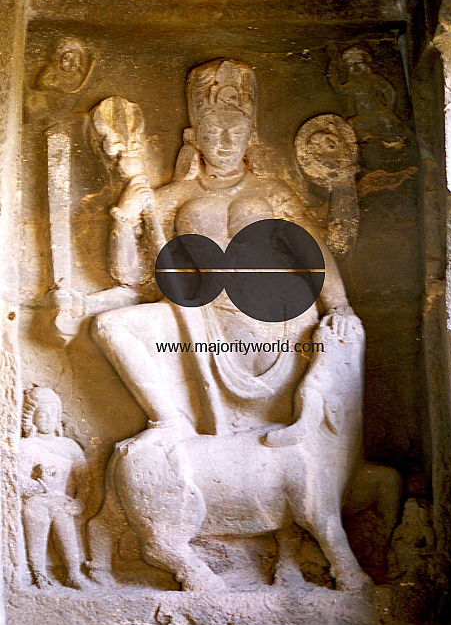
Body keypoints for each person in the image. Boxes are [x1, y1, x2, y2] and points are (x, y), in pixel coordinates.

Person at [82, 59, 359, 454]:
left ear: (251, 136)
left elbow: (313, 253)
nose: (226, 142)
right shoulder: (171, 198)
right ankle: (168, 421)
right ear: (194, 136)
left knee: (346, 335)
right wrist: (124, 217)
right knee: (111, 327)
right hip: (200, 313)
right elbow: (129, 275)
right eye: (213, 132)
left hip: (278, 314)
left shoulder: (272, 191)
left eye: (237, 131)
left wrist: (340, 305)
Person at [18, 387, 88, 589]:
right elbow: (17, 481)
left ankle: (73, 574)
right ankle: (39, 574)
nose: (48, 419)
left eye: (53, 414)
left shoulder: (69, 446)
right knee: (37, 537)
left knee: (68, 537)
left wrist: (80, 501)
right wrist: (40, 484)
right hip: (36, 502)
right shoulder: (26, 446)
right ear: (32, 417)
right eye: (43, 414)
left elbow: (86, 480)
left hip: (61, 502)